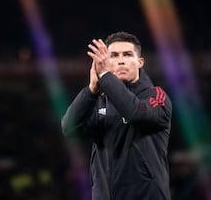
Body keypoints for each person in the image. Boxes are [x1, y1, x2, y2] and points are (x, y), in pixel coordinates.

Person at [61, 31, 172, 200]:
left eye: (127, 55)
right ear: (106, 62)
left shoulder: (156, 97)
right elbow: (69, 128)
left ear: (140, 62)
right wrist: (91, 90)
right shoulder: (99, 102)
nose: (121, 60)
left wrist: (105, 77)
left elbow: (136, 113)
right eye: (113, 56)